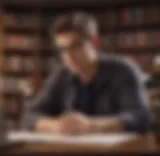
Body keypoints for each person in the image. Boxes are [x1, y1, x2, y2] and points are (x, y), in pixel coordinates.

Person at [21, 12, 150, 134]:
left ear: (94, 42)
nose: (69, 56)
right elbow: (29, 116)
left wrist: (91, 125)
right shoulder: (60, 75)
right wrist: (56, 126)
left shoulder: (123, 70)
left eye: (76, 46)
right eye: (63, 49)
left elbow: (139, 117)